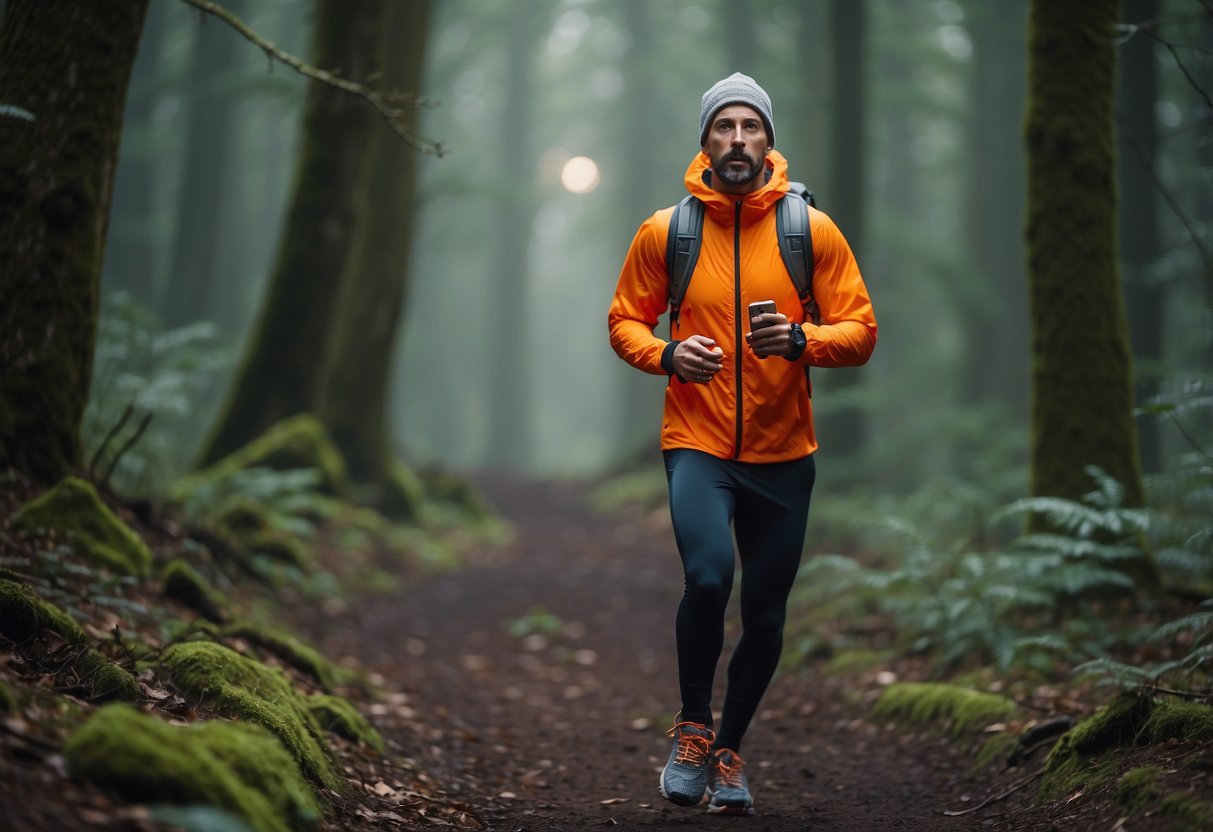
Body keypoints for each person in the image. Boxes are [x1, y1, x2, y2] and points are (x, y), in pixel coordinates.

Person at [607, 72, 877, 816]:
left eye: (748, 127)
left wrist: (799, 339)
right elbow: (624, 320)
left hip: (784, 453)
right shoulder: (667, 230)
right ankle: (691, 729)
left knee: (764, 615)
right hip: (695, 440)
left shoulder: (806, 229)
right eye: (722, 127)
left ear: (767, 139)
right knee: (706, 578)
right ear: (704, 141)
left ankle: (728, 750)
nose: (736, 140)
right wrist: (666, 355)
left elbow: (860, 332)